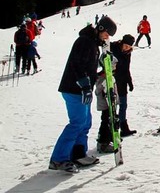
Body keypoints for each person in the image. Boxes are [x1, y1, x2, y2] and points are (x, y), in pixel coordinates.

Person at [49, 15, 117, 173]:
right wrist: (84, 85)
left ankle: (78, 154)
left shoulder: (93, 44)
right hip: (74, 89)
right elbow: (76, 64)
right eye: (107, 33)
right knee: (77, 123)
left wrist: (103, 72)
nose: (107, 37)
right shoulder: (85, 41)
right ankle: (58, 159)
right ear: (100, 28)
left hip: (82, 90)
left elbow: (89, 69)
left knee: (85, 122)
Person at [110, 34, 136, 137]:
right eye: (125, 45)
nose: (126, 48)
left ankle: (124, 128)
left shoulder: (128, 54)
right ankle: (111, 130)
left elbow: (126, 69)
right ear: (122, 43)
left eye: (129, 47)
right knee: (111, 107)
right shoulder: (114, 47)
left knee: (123, 105)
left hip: (122, 82)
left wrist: (130, 82)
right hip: (112, 81)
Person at [94, 57, 118, 153]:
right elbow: (97, 91)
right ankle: (103, 142)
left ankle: (111, 137)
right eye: (114, 65)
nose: (115, 67)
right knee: (106, 121)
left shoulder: (111, 76)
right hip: (105, 104)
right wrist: (103, 85)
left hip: (111, 103)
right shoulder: (101, 77)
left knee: (112, 120)